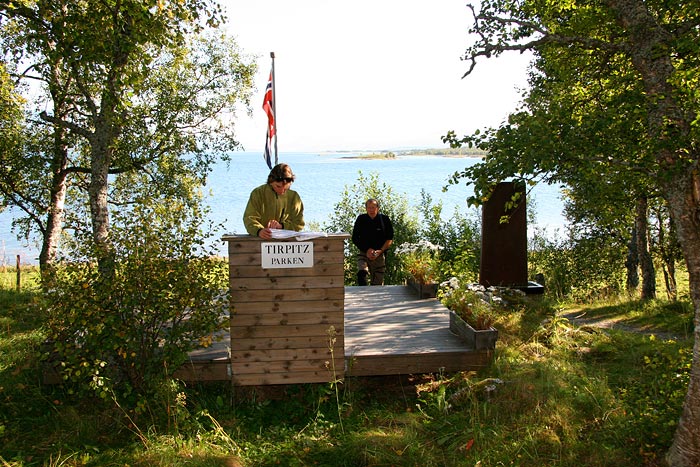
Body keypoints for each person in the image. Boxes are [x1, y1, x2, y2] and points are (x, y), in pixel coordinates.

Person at [243, 163, 305, 239]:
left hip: (286, 242)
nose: (281, 191)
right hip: (261, 241)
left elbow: (299, 223)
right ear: (270, 181)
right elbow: (249, 218)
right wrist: (259, 230)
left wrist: (281, 226)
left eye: (286, 188)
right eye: (278, 186)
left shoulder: (294, 197)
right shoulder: (258, 193)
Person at [351, 198, 394, 285]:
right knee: (362, 273)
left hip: (379, 255)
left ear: (378, 208)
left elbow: (389, 239)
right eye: (369, 207)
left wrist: (380, 251)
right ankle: (362, 294)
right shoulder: (361, 219)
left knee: (377, 284)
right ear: (366, 209)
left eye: (373, 207)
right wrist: (367, 250)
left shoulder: (384, 220)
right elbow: (355, 238)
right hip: (364, 253)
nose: (371, 210)